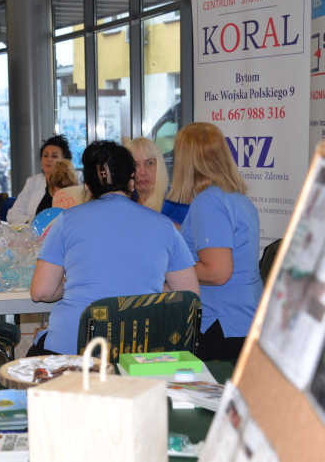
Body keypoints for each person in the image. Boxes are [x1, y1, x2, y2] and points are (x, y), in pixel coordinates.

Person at [30, 140, 199, 355]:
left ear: (88, 187)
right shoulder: (165, 226)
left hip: (73, 349)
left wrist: (75, 282)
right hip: (140, 351)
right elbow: (189, 295)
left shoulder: (65, 221)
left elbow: (41, 292)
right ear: (131, 182)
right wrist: (143, 291)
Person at [174, 122, 262, 363]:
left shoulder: (208, 202)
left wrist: (170, 270)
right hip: (245, 319)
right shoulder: (237, 198)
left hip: (222, 323)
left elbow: (218, 272)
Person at [6, 134, 71, 224]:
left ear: (65, 160)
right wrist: (34, 222)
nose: (49, 159)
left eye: (54, 156)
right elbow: (13, 214)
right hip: (33, 233)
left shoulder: (72, 181)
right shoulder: (32, 182)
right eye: (45, 155)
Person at [125, 136, 169, 212]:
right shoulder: (126, 201)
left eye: (149, 163)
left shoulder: (176, 203)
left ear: (159, 166)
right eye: (135, 165)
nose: (142, 172)